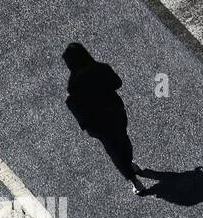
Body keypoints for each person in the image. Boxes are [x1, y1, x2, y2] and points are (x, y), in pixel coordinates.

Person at [62, 43, 148, 194]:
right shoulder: (100, 68)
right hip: (115, 113)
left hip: (98, 124)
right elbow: (118, 83)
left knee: (114, 151)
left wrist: (87, 126)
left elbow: (75, 106)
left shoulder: (73, 85)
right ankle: (130, 164)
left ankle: (134, 180)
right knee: (124, 140)